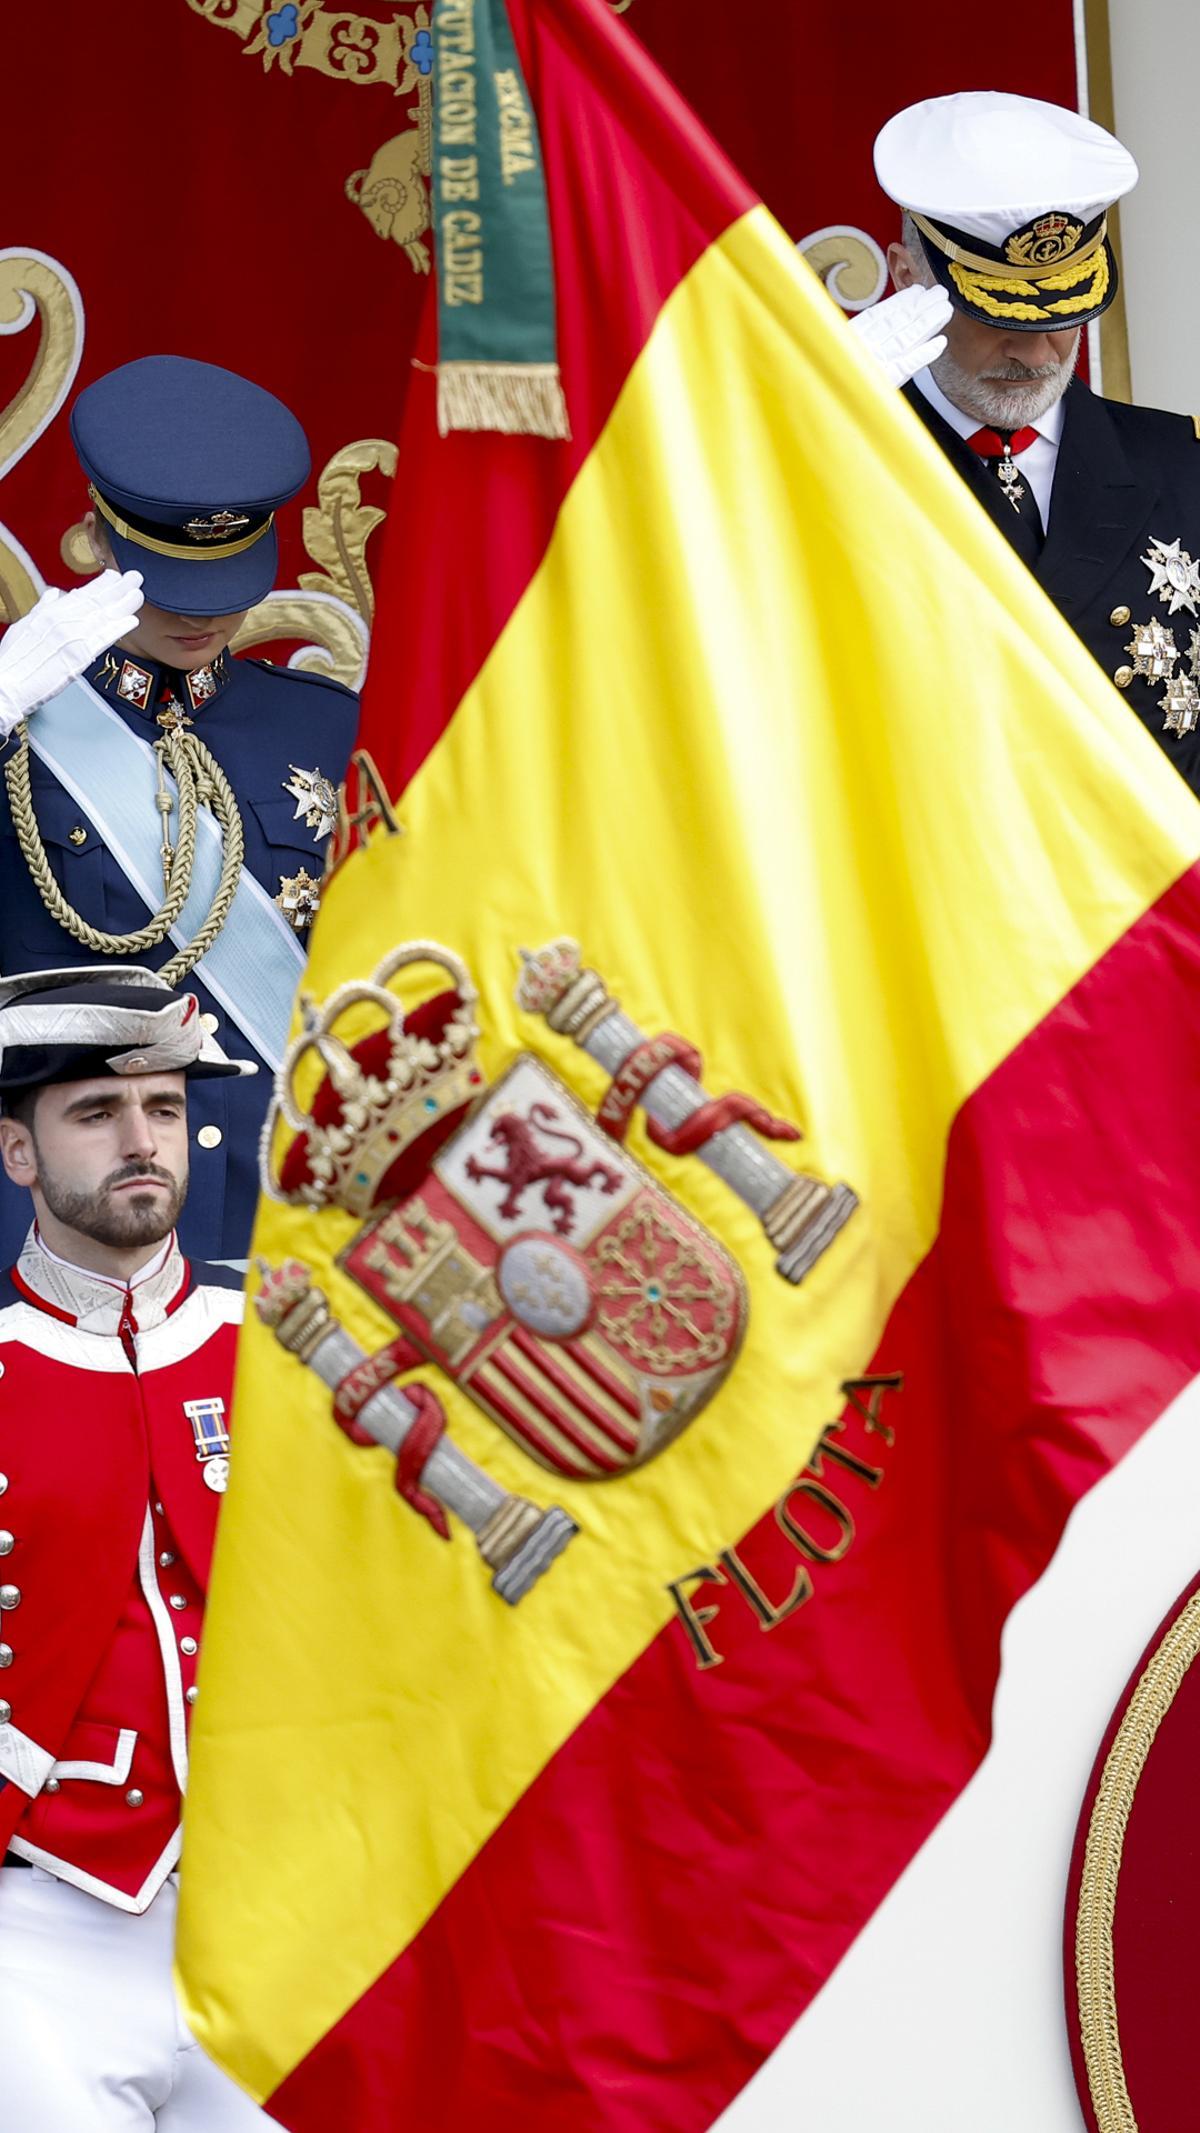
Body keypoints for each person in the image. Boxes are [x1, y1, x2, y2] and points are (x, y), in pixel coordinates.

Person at [0, 353, 360, 1267]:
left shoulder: (326, 727)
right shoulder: (21, 714)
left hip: (281, 1218)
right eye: (169, 576)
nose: (200, 615)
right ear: (97, 535)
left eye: (225, 579)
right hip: (68, 1235)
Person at [0, 964, 278, 2127]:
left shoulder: (278, 1349)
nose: (142, 1140)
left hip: (272, 1914)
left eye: (163, 1107)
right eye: (97, 1111)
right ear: (19, 1153)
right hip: (37, 1933)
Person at [872, 90, 1200, 793]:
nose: (1036, 353)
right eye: (998, 315)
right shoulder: (837, 463)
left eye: (1062, 314)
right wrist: (795, 422)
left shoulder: (1181, 465)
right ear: (907, 278)